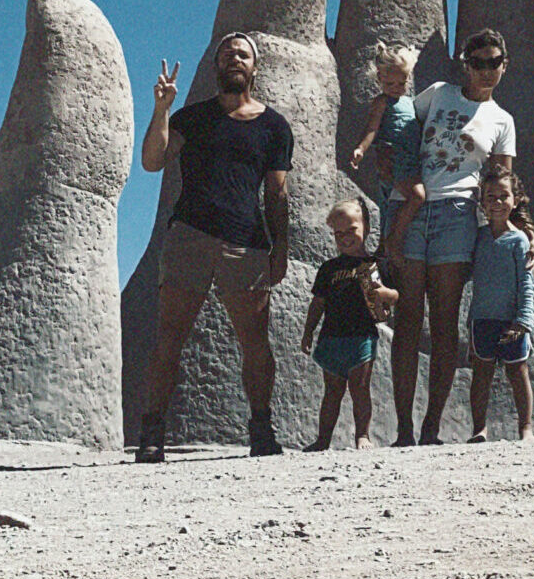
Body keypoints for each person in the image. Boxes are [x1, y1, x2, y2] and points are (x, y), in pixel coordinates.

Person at [135, 32, 293, 462]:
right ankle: (152, 434)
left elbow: (277, 192)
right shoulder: (192, 118)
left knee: (255, 343)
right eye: (227, 54)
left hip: (246, 243)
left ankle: (262, 430)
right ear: (217, 66)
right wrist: (162, 110)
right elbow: (152, 161)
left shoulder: (274, 127)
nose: (234, 59)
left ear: (255, 67)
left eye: (242, 54)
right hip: (190, 237)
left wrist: (280, 246)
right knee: (169, 338)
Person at [388, 28, 517, 447]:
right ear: (466, 64)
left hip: (457, 215)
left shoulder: (502, 121)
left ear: (504, 65)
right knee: (408, 318)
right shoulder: (439, 93)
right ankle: (403, 429)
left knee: (445, 322)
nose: (485, 70)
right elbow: (402, 129)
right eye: (477, 63)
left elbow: (501, 181)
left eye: (493, 62)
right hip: (411, 208)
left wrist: (522, 229)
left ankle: (431, 427)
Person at [299, 200, 397, 451]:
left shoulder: (376, 265)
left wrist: (384, 293)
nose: (345, 238)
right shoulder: (329, 268)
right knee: (332, 392)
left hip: (362, 337)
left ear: (366, 227)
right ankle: (323, 439)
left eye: (351, 230)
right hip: (331, 337)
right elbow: (318, 303)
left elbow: (396, 295)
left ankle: (362, 435)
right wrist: (308, 331)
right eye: (338, 233)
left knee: (360, 389)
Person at [467, 166, 534, 443]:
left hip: (512, 320)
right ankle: (479, 429)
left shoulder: (519, 241)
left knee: (518, 372)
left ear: (515, 200)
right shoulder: (478, 238)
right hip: (482, 318)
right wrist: (470, 320)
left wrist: (524, 321)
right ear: (482, 202)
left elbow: (526, 283)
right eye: (490, 196)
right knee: (481, 375)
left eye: (503, 196)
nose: (497, 202)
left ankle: (526, 428)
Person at [346, 45, 427, 260]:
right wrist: (361, 149)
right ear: (379, 79)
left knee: (389, 206)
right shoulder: (382, 102)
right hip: (394, 159)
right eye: (390, 84)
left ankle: (384, 246)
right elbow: (372, 128)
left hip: (411, 160)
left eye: (402, 83)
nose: (396, 88)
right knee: (417, 196)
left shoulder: (410, 103)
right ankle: (395, 238)